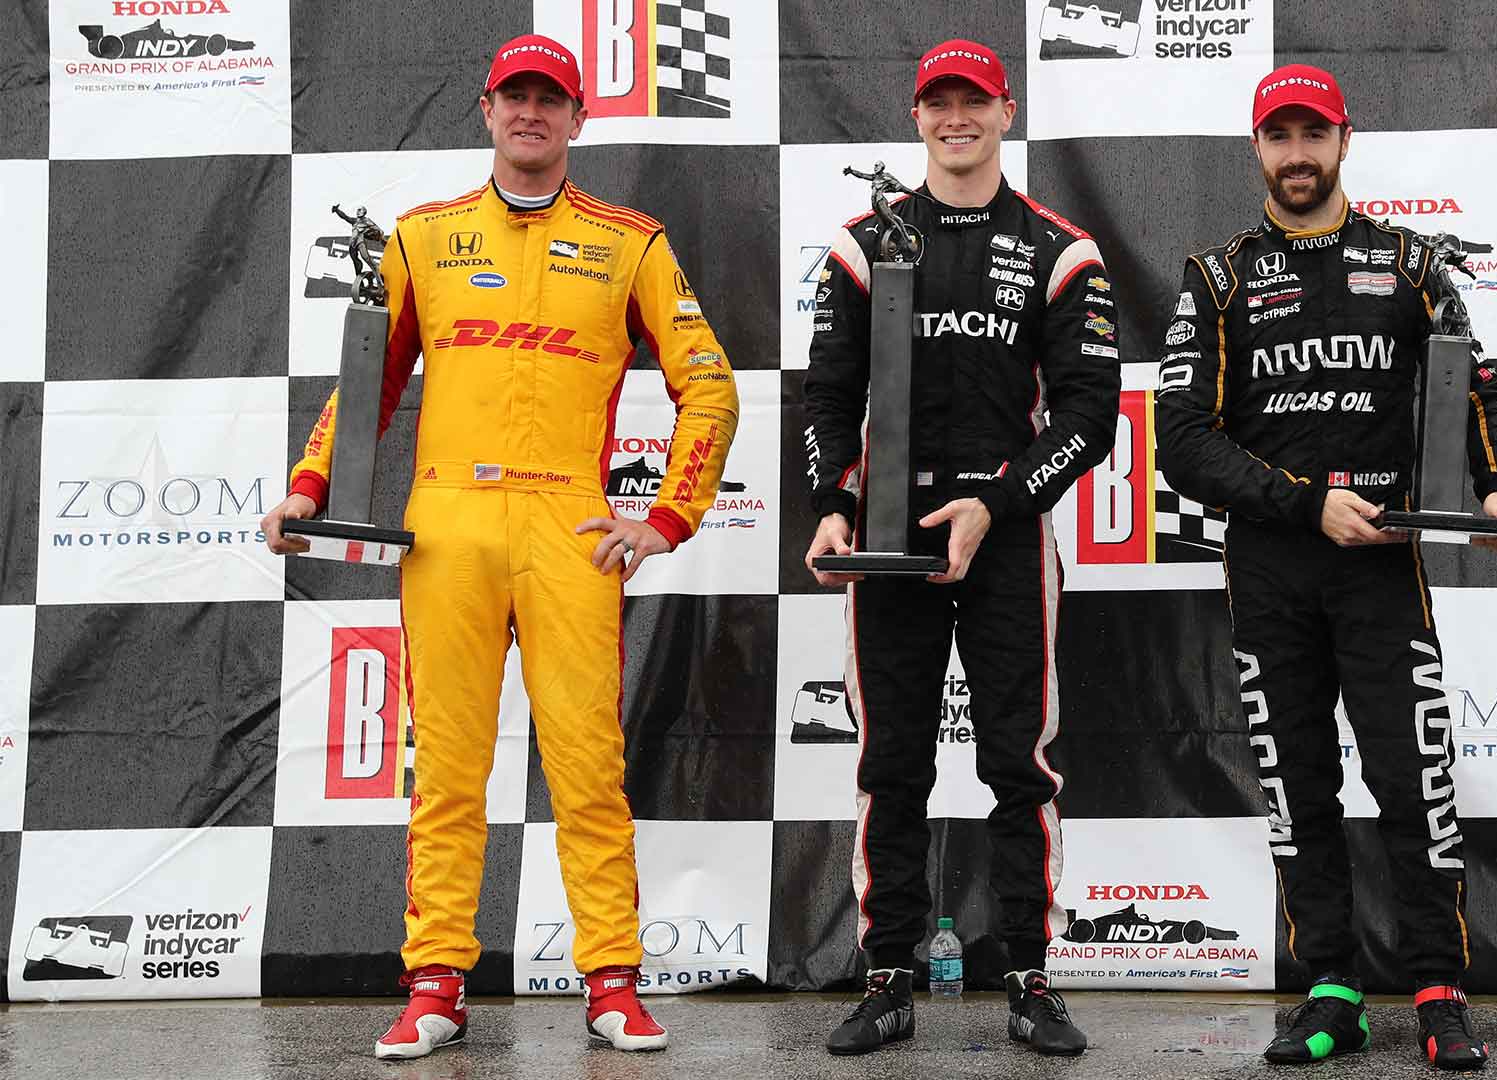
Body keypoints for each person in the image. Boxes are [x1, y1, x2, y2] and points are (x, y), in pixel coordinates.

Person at [261, 34, 739, 1061]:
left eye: (550, 99)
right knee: (446, 769)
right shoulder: (423, 236)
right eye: (514, 97)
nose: (531, 114)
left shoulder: (631, 240)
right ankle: (436, 985)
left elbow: (710, 384)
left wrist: (661, 518)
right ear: (485, 109)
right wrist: (308, 486)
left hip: (571, 530)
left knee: (588, 767)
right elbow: (369, 380)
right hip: (450, 531)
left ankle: (612, 981)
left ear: (579, 117)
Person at [1153, 65, 1497, 1071]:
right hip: (1271, 567)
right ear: (1255, 149)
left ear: (1345, 140)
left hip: (1381, 567)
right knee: (1297, 783)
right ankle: (1330, 988)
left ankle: (1440, 988)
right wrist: (1303, 503)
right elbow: (1179, 439)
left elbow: (1475, 386)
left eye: (1313, 133)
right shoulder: (1220, 275)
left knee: (1414, 779)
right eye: (1279, 136)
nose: (1298, 153)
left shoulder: (1409, 264)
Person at [802, 38, 1119, 1059]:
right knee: (891, 764)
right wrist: (830, 506)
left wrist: (1001, 502)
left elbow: (1089, 411)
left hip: (1009, 538)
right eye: (938, 103)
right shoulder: (861, 244)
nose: (955, 119)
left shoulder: (1061, 246)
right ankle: (889, 974)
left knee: (1019, 766)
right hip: (887, 546)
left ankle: (1029, 976)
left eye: (972, 102)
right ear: (916, 117)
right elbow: (826, 397)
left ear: (1005, 111)